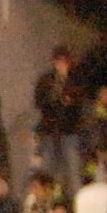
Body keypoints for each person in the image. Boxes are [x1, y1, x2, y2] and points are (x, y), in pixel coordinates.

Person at [34, 46, 85, 190]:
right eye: (57, 61)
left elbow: (78, 103)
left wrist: (66, 83)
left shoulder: (75, 79)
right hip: (50, 132)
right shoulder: (46, 80)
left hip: (70, 131)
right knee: (47, 172)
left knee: (73, 172)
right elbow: (40, 102)